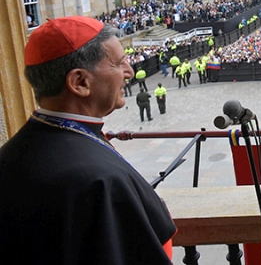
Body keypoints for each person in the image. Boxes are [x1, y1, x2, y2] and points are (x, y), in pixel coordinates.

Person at [0, 16, 176, 264]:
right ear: (80, 82)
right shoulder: (98, 180)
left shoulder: (11, 153)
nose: (130, 71)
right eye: (118, 63)